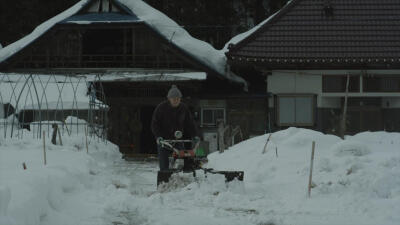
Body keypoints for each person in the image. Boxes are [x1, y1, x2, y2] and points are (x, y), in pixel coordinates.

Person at [151, 85, 200, 171]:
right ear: (169, 98)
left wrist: (195, 135)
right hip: (164, 140)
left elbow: (190, 123)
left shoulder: (183, 108)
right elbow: (155, 124)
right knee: (164, 162)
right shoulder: (161, 108)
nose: (176, 100)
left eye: (178, 98)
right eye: (173, 98)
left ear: (180, 99)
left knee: (184, 158)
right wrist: (158, 136)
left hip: (178, 140)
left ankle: (185, 175)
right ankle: (165, 178)